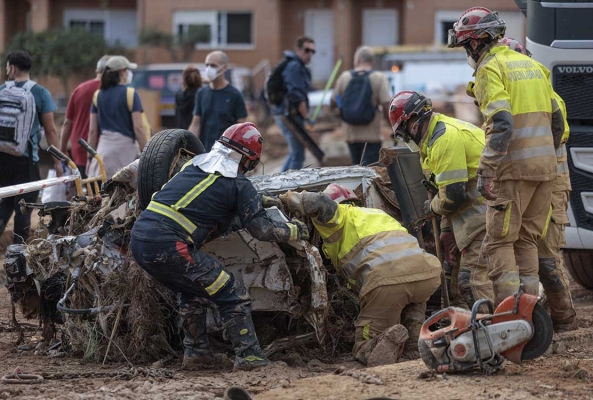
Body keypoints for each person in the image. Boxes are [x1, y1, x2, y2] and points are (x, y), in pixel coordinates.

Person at [130, 123, 309, 371]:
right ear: (249, 159)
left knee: (192, 292)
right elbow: (262, 230)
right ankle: (250, 358)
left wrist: (258, 199)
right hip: (170, 244)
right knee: (231, 291)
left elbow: (206, 200)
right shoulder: (238, 183)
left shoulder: (193, 166)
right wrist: (296, 230)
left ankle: (197, 354)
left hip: (139, 240)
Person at [448, 7, 564, 305]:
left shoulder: (490, 69)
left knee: (498, 243)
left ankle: (509, 316)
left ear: (475, 42)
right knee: (526, 241)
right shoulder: (533, 67)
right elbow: (557, 122)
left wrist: (487, 170)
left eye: (465, 45)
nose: (467, 52)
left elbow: (501, 122)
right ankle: (530, 312)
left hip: (512, 173)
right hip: (546, 171)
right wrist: (544, 159)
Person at [277, 184, 441, 365]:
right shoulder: (377, 214)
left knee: (364, 343)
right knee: (411, 302)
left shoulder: (339, 216)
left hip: (387, 280)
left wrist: (283, 200)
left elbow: (318, 202)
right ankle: (414, 347)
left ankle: (375, 349)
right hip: (427, 273)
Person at [497, 37, 577, 332]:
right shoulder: (512, 99)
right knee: (522, 248)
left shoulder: (549, 98)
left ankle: (564, 319)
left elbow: (558, 132)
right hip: (530, 178)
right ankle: (531, 317)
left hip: (552, 182)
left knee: (545, 258)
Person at [388, 90, 493, 308]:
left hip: (488, 217)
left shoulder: (445, 139)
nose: (406, 139)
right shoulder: (432, 141)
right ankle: (470, 324)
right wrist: (446, 232)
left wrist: (431, 209)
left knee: (470, 282)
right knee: (451, 281)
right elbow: (443, 191)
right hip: (473, 218)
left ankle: (494, 332)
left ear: (413, 125)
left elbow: (453, 195)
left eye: (403, 134)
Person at [0, 50, 62, 269]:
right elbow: (50, 129)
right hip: (26, 157)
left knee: (7, 198)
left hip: (1, 157)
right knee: (24, 204)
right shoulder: (41, 93)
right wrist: (57, 160)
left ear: (13, 68)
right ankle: (17, 256)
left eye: (8, 67)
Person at [88, 56, 147, 179]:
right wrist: (146, 153)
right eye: (127, 70)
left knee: (103, 195)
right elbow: (139, 128)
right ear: (122, 72)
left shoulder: (98, 95)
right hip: (126, 155)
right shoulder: (130, 94)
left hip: (103, 154)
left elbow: (93, 131)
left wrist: (90, 158)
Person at [331, 46, 390, 166]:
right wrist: (392, 126)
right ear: (372, 62)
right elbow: (385, 104)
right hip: (372, 135)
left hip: (351, 134)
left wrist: (342, 109)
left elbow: (334, 100)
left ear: (356, 60)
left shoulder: (344, 77)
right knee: (371, 172)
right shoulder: (379, 78)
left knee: (356, 171)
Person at [60, 55, 110, 178]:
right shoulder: (110, 91)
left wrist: (62, 149)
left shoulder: (79, 90)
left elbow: (67, 123)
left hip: (80, 149)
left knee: (83, 192)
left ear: (97, 71)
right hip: (104, 150)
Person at [188, 52, 247, 151]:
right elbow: (196, 123)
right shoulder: (201, 93)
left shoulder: (234, 95)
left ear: (224, 68)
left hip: (225, 154)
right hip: (204, 153)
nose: (209, 69)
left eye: (213, 65)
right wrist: (188, 144)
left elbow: (241, 129)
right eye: (207, 65)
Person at [274, 37, 315, 172]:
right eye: (307, 50)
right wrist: (306, 118)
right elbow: (297, 96)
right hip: (289, 116)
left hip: (285, 114)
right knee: (298, 154)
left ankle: (278, 184)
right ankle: (286, 187)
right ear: (297, 50)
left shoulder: (294, 66)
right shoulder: (295, 67)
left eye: (312, 52)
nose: (309, 54)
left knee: (295, 152)